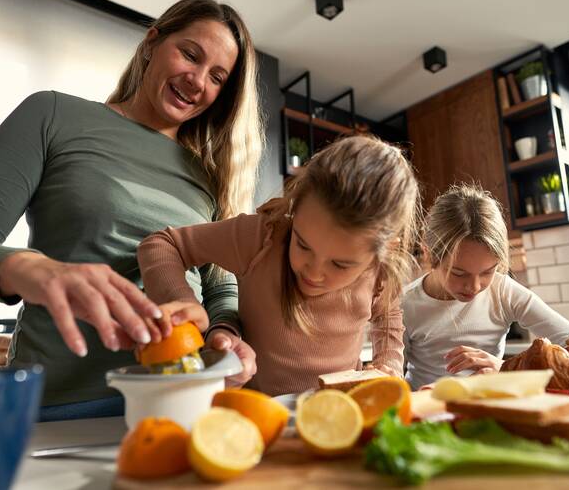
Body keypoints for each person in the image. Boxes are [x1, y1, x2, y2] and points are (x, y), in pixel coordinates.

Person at [0, 0, 261, 419]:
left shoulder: (209, 177)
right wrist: (36, 270)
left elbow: (219, 288)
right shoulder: (53, 115)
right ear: (152, 42)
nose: (197, 81)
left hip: (180, 403)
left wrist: (226, 333)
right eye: (190, 54)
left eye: (217, 77)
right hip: (59, 407)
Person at [138, 135, 422, 396]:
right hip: (255, 413)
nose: (313, 272)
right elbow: (163, 244)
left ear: (384, 251)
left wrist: (389, 366)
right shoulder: (262, 236)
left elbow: (388, 318)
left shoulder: (382, 271)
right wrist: (182, 305)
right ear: (295, 208)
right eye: (302, 244)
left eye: (340, 264)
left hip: (339, 414)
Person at [402, 184, 569, 390]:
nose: (474, 287)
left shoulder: (503, 291)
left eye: (487, 272)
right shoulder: (405, 303)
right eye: (459, 273)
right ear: (429, 254)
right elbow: (390, 378)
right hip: (425, 412)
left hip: (490, 406)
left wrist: (508, 369)